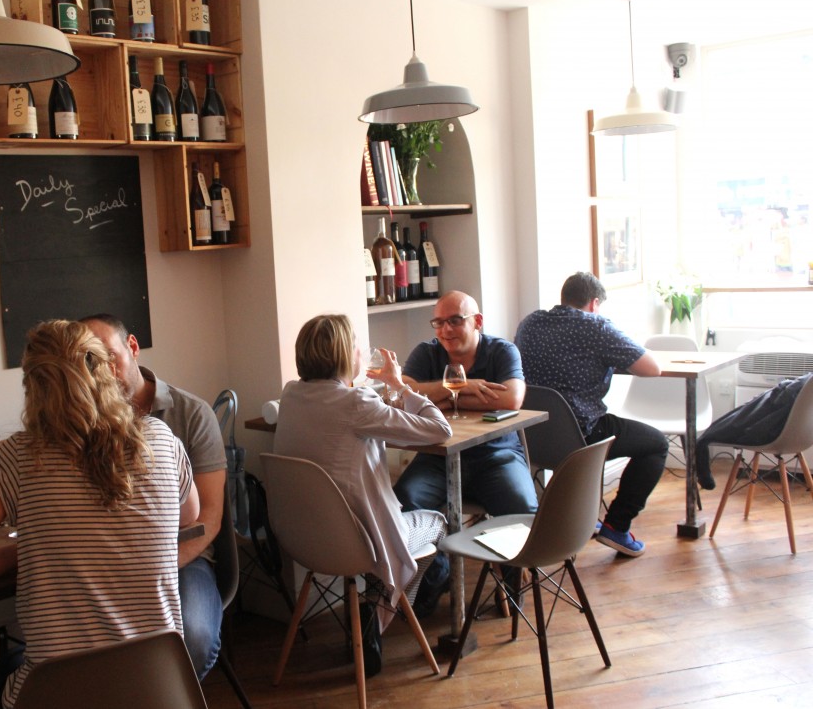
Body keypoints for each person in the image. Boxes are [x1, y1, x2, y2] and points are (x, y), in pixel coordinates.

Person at [0, 320, 199, 709]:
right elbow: (190, 515)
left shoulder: (19, 457)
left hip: (63, 695)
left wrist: (28, 550)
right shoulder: (161, 439)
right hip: (160, 689)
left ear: (33, 389)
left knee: (8, 670)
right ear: (106, 371)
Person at [273, 314, 452, 673]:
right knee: (439, 523)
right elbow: (440, 429)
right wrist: (401, 386)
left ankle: (378, 607)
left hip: (302, 539)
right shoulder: (356, 403)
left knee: (372, 517)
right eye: (357, 344)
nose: (361, 351)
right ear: (344, 354)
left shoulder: (290, 395)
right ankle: (389, 608)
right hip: (357, 544)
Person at [80, 313, 227, 680]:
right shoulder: (82, 418)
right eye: (90, 363)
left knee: (193, 637)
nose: (105, 373)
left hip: (182, 559)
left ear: (132, 347)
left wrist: (154, 569)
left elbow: (208, 517)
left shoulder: (191, 413)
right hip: (108, 562)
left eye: (110, 357)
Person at [393, 291, 538, 616]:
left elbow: (511, 400)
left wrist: (442, 399)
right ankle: (435, 575)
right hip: (437, 459)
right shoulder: (426, 353)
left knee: (521, 508)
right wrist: (464, 387)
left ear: (477, 322)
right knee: (403, 501)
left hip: (496, 455)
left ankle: (514, 585)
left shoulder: (501, 351)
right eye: (439, 323)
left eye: (455, 321)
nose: (446, 330)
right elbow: (402, 394)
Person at [515, 271, 668, 557]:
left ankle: (580, 520)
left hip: (530, 437)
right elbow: (652, 368)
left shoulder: (531, 322)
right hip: (581, 434)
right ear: (594, 303)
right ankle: (617, 527)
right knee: (657, 445)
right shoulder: (595, 327)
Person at [696, 372, 813, 490]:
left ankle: (702, 446)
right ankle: (703, 444)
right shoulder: (808, 381)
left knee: (707, 438)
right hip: (804, 437)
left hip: (769, 434)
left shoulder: (800, 384)